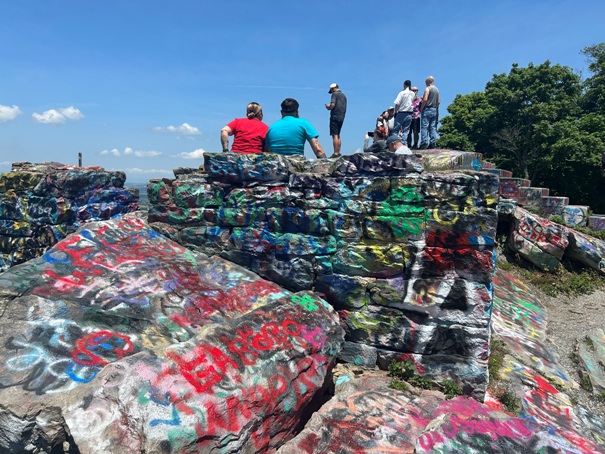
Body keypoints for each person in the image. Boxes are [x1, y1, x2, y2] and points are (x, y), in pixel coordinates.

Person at [325, 83, 347, 158]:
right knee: (338, 135)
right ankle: (338, 152)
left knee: (334, 135)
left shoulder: (334, 94)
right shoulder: (344, 96)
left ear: (333, 89)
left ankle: (336, 153)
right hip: (342, 116)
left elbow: (332, 105)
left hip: (335, 116)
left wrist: (328, 107)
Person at [419, 76, 441, 149]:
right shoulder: (437, 89)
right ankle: (433, 143)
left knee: (424, 126)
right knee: (432, 127)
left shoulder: (427, 88)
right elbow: (438, 101)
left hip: (427, 109)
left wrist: (421, 108)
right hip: (434, 109)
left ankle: (424, 143)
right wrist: (436, 108)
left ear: (428, 82)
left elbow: (425, 99)